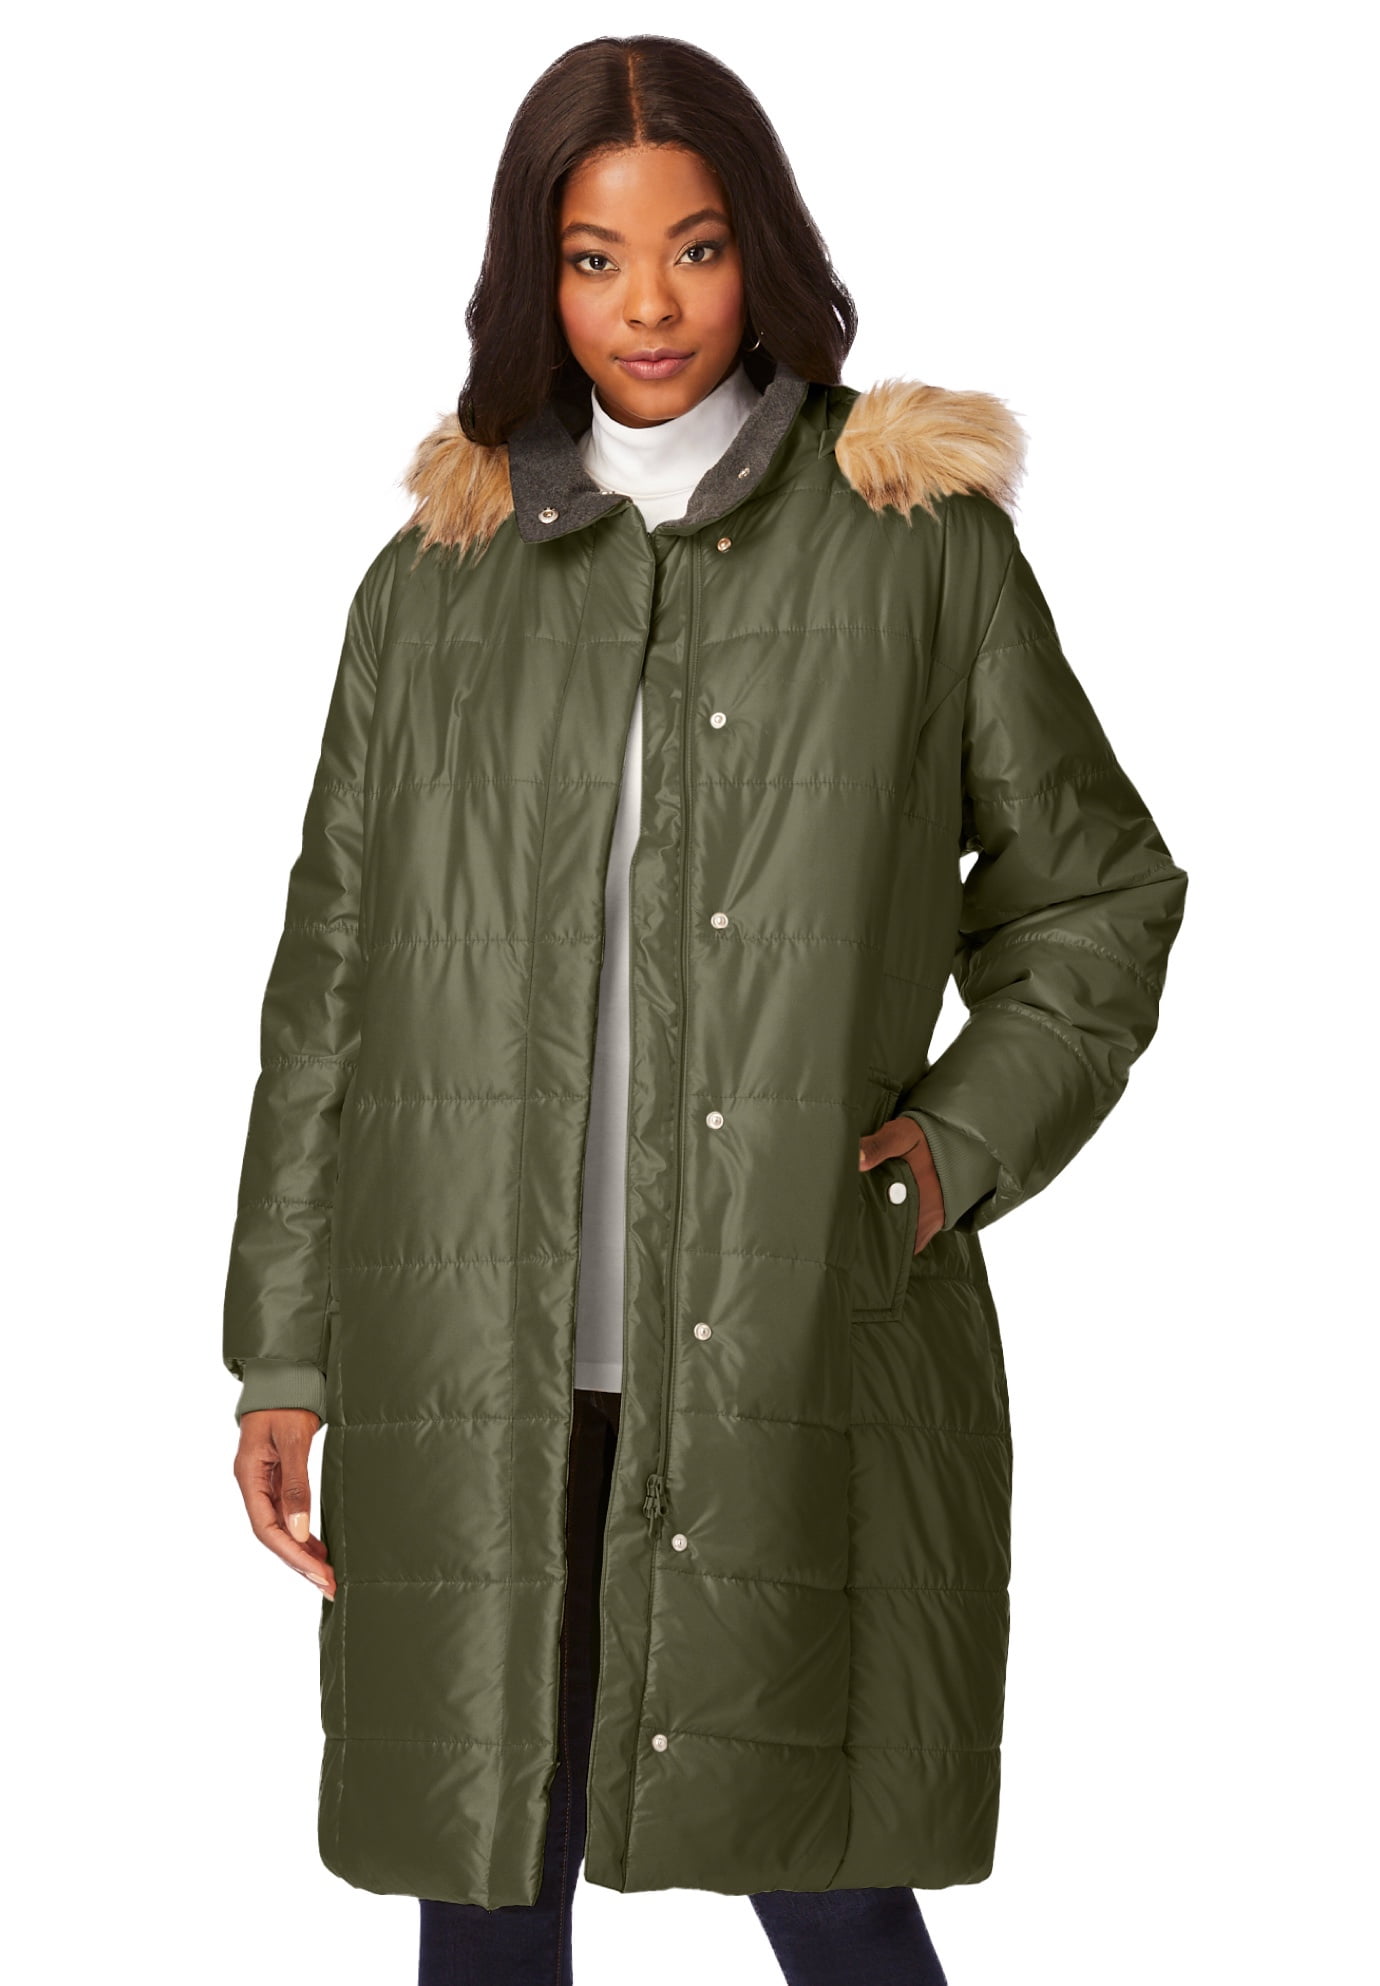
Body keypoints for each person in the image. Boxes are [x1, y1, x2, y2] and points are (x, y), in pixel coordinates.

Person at [224, 33, 1188, 1985]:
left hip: (786, 1334)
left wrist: (940, 1159)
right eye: (595, 258)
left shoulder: (914, 547)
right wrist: (284, 1348)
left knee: (823, 1877)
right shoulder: (434, 587)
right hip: (474, 1361)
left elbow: (1095, 897)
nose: (648, 306)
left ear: (764, 250)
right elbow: (330, 982)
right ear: (537, 273)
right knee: (486, 1886)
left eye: (694, 247)